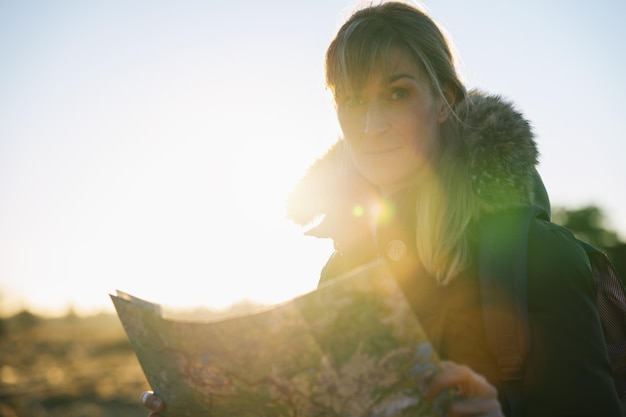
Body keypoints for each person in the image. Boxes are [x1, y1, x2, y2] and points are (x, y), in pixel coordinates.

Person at [141, 1, 622, 416]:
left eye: (397, 93)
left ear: (443, 100)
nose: (371, 125)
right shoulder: (341, 273)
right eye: (352, 101)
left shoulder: (538, 257)